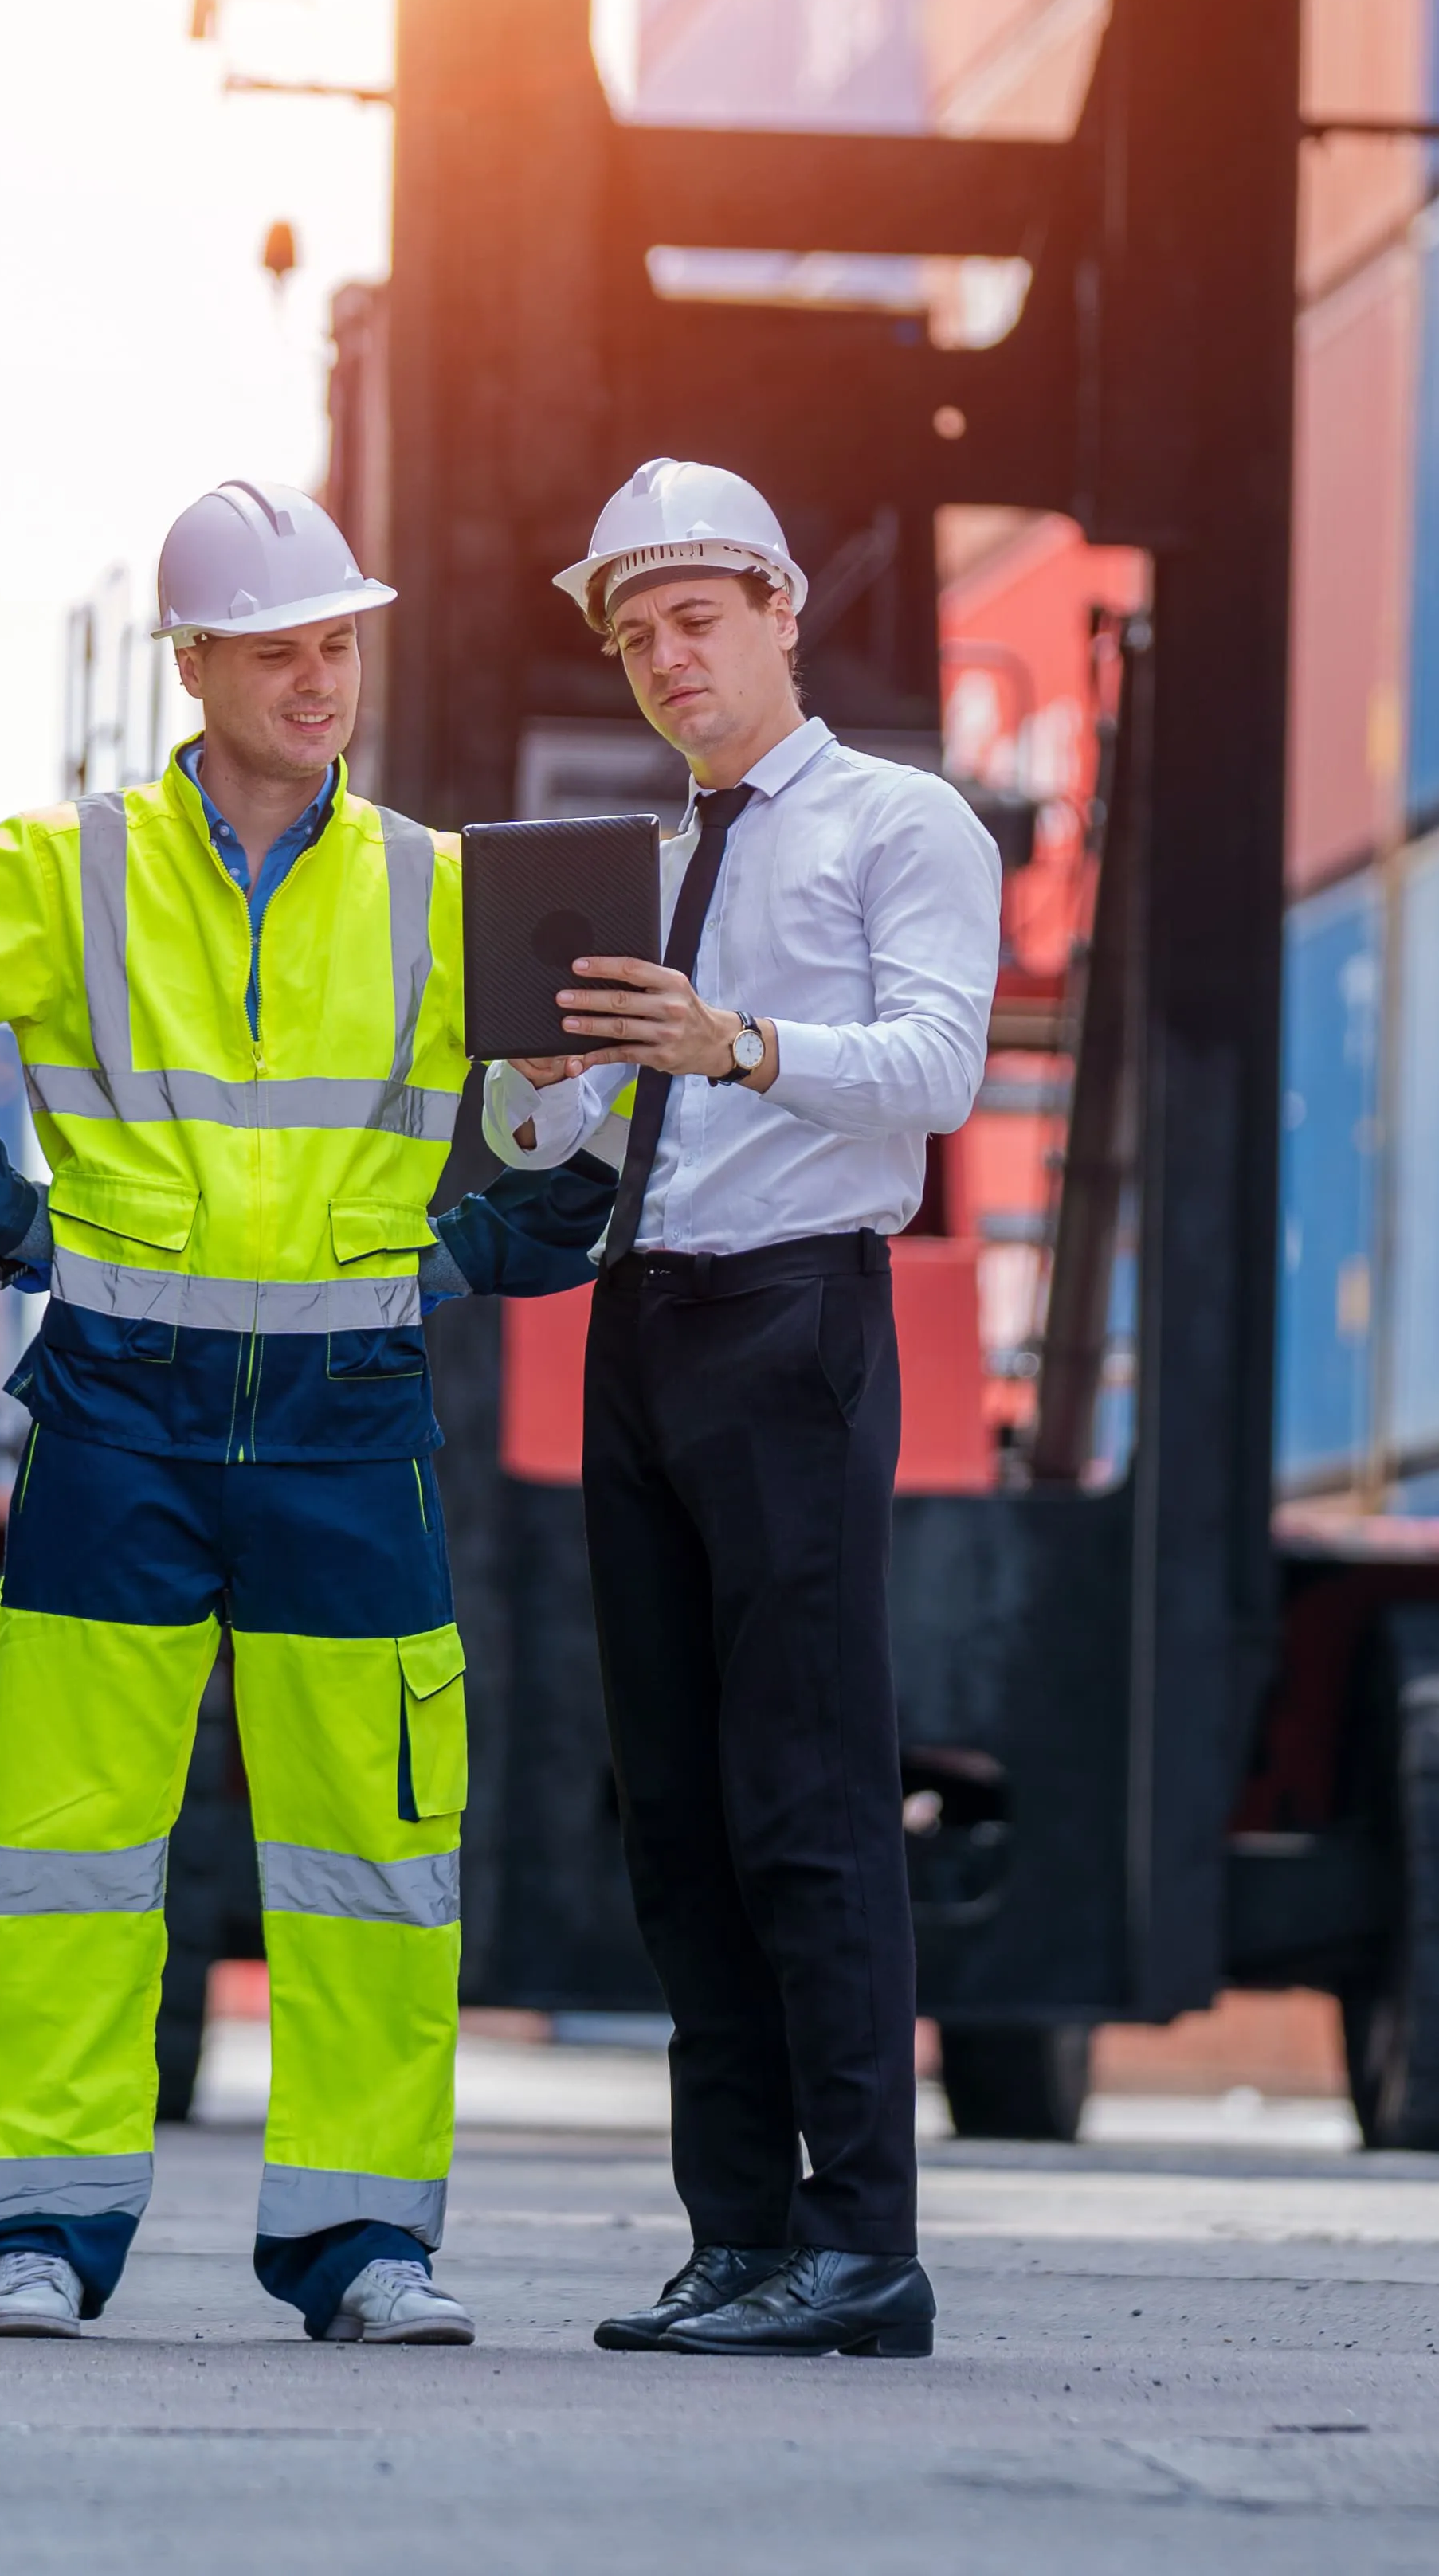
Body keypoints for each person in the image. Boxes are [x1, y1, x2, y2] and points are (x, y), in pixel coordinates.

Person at [0, 480, 613, 2347]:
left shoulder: (444, 889)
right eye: (283, 649)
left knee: (373, 1855)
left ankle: (364, 2243)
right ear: (200, 663)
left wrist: (502, 1192)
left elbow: (583, 1161)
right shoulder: (68, 872)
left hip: (347, 1419)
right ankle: (44, 2228)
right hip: (121, 1415)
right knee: (69, 1840)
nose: (322, 681)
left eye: (341, 644)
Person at [490, 459, 1002, 2360]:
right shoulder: (636, 868)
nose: (666, 660)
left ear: (786, 608)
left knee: (810, 1796)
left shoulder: (901, 822)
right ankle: (739, 2233)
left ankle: (865, 2241)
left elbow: (939, 1072)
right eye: (635, 635)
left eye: (696, 618)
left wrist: (735, 1039)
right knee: (678, 1810)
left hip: (796, 1326)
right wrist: (543, 1081)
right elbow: (563, 1142)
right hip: (640, 1325)